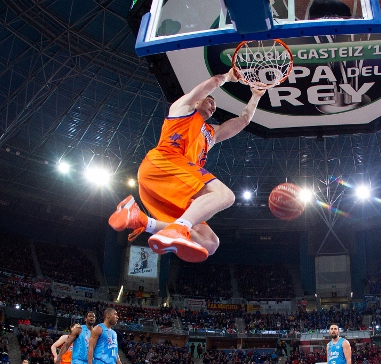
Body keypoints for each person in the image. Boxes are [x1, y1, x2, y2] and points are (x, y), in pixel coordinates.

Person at [109, 71, 266, 263]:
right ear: (198, 101)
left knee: (209, 243)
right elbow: (213, 82)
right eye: (210, 102)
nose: (213, 107)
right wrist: (227, 77)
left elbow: (243, 121)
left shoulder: (211, 133)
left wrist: (256, 96)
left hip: (174, 183)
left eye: (215, 106)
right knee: (225, 196)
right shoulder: (181, 109)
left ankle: (141, 220)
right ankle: (179, 227)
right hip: (163, 163)